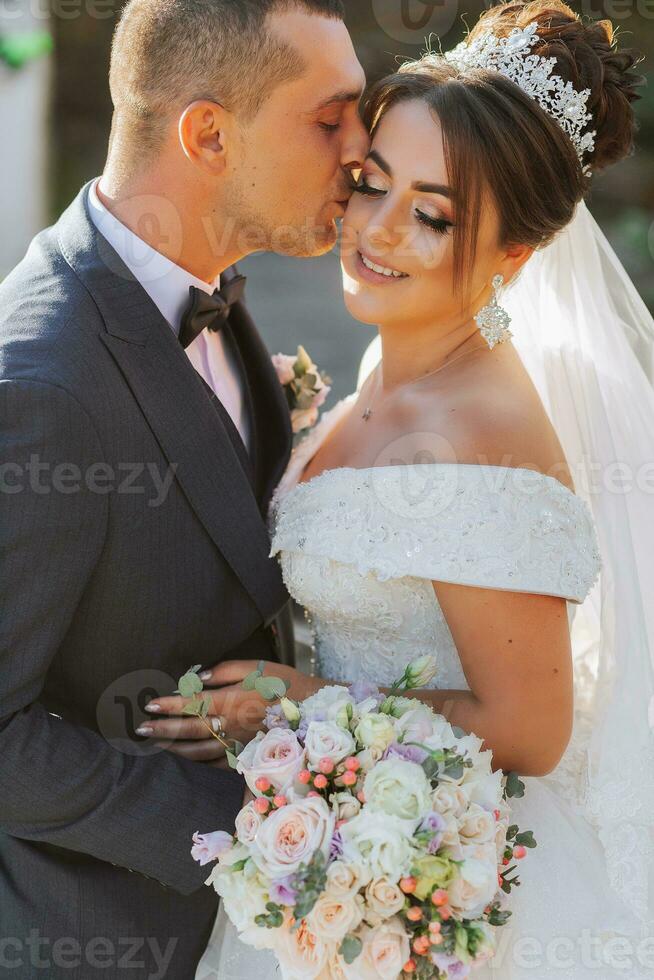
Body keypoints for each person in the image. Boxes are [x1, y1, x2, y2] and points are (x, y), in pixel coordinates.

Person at [150, 2, 654, 977]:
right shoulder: (400, 356)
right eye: (372, 184)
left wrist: (301, 701)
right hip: (321, 825)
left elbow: (530, 729)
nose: (375, 232)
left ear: (516, 255)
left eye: (431, 215)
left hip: (429, 879)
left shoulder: (481, 433)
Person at [0, 0, 367, 976]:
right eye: (329, 119)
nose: (362, 153)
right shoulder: (40, 384)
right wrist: (254, 824)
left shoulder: (210, 289)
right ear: (207, 132)